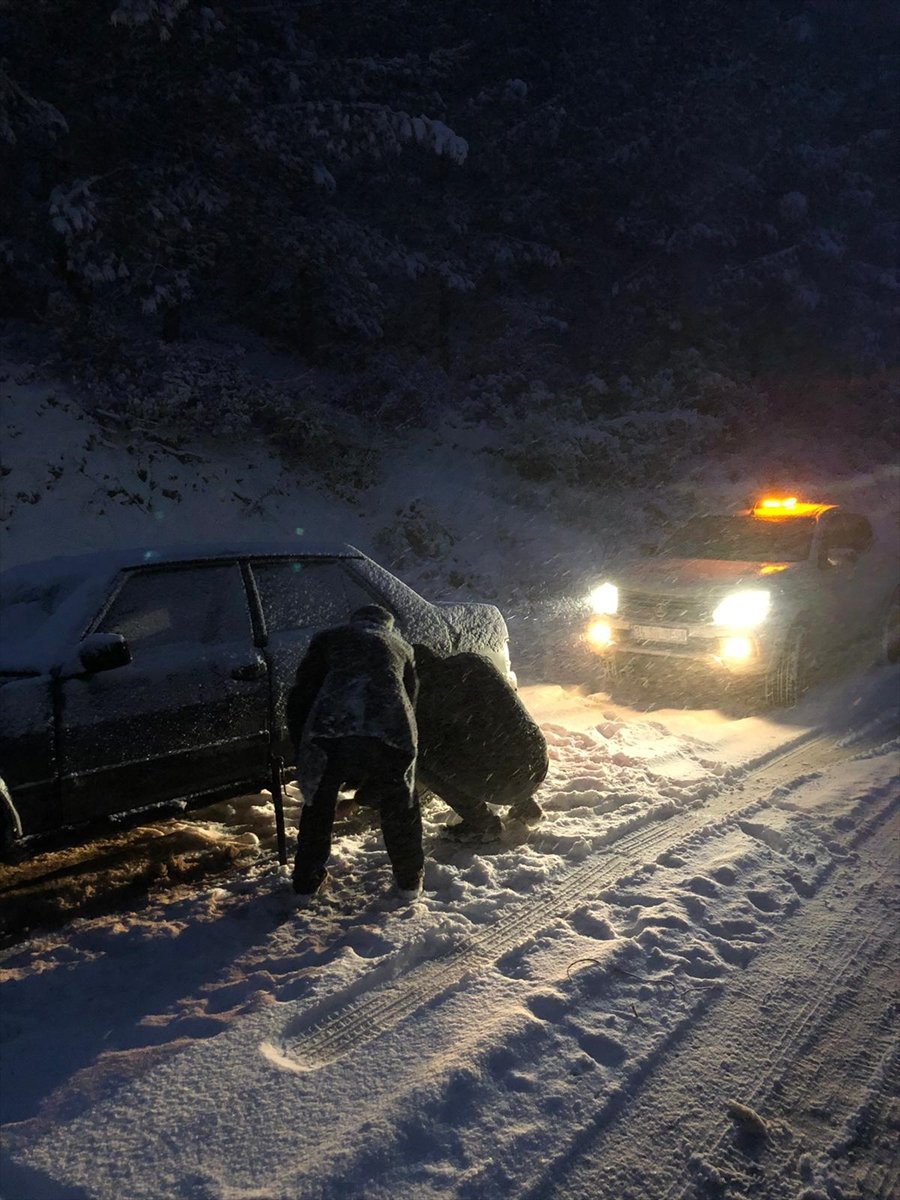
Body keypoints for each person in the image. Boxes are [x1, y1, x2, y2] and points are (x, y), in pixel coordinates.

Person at [285, 604, 423, 899]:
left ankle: (306, 883)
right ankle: (409, 880)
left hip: (331, 728)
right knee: (400, 803)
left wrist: (302, 746)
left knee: (318, 805)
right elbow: (410, 702)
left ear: (353, 621)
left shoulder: (328, 639)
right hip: (388, 730)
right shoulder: (401, 646)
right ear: (388, 625)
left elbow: (301, 695)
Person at [414, 644, 548, 841]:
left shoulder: (429, 696)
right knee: (500, 736)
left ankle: (481, 823)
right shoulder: (473, 662)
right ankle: (525, 804)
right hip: (537, 765)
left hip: (505, 781)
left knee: (421, 759)